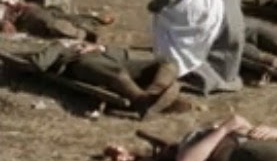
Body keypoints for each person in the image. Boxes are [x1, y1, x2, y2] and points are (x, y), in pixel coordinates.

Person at [27, 40, 189, 117]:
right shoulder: (57, 46)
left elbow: (121, 52)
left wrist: (100, 47)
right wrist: (61, 44)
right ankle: (143, 101)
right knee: (116, 72)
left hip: (110, 57)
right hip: (81, 63)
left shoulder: (84, 38)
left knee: (167, 62)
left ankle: (156, 92)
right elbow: (38, 64)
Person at [0, 0, 101, 41]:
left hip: (27, 15)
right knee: (56, 16)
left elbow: (8, 30)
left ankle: (81, 32)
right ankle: (86, 27)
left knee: (48, 22)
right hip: (31, 10)